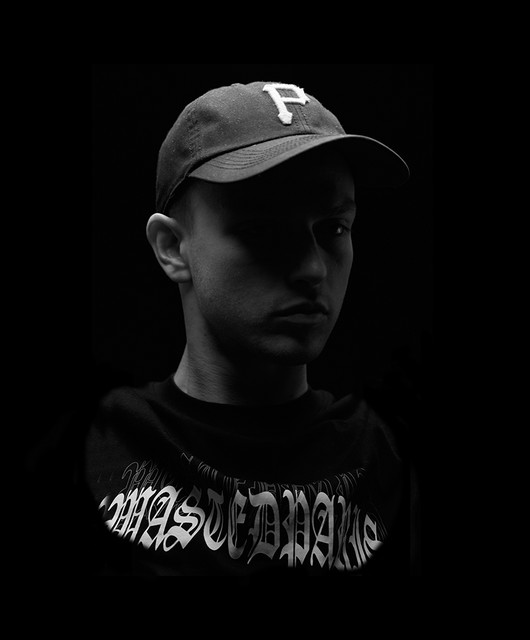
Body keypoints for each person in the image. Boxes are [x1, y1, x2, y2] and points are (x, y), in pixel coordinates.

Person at [37, 81, 421, 577]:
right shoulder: (93, 449)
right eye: (263, 230)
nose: (313, 268)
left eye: (333, 228)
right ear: (172, 248)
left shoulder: (387, 460)